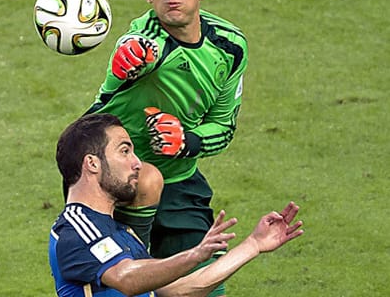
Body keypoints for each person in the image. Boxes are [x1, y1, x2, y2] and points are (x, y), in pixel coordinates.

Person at [85, 0, 249, 296]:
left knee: (207, 286)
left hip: (181, 182)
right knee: (146, 183)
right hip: (113, 183)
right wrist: (128, 60)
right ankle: (136, 254)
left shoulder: (230, 47)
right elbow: (137, 48)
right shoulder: (143, 41)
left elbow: (224, 128)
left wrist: (186, 140)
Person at [50, 113, 303, 296]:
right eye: (124, 151)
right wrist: (193, 255)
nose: (137, 163)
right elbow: (125, 279)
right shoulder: (76, 229)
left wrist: (253, 245)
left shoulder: (119, 232)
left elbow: (178, 292)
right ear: (92, 163)